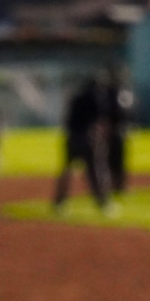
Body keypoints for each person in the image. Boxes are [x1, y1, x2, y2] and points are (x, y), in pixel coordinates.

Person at [53, 76, 109, 211]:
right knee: (94, 171)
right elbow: (99, 121)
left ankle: (60, 202)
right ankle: (102, 202)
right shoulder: (95, 98)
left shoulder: (76, 98)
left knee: (67, 171)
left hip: (72, 138)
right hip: (88, 139)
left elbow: (67, 119)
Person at [102, 67, 135, 196]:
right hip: (112, 132)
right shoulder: (112, 95)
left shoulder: (116, 94)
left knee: (117, 160)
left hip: (116, 132)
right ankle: (115, 185)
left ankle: (119, 185)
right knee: (111, 161)